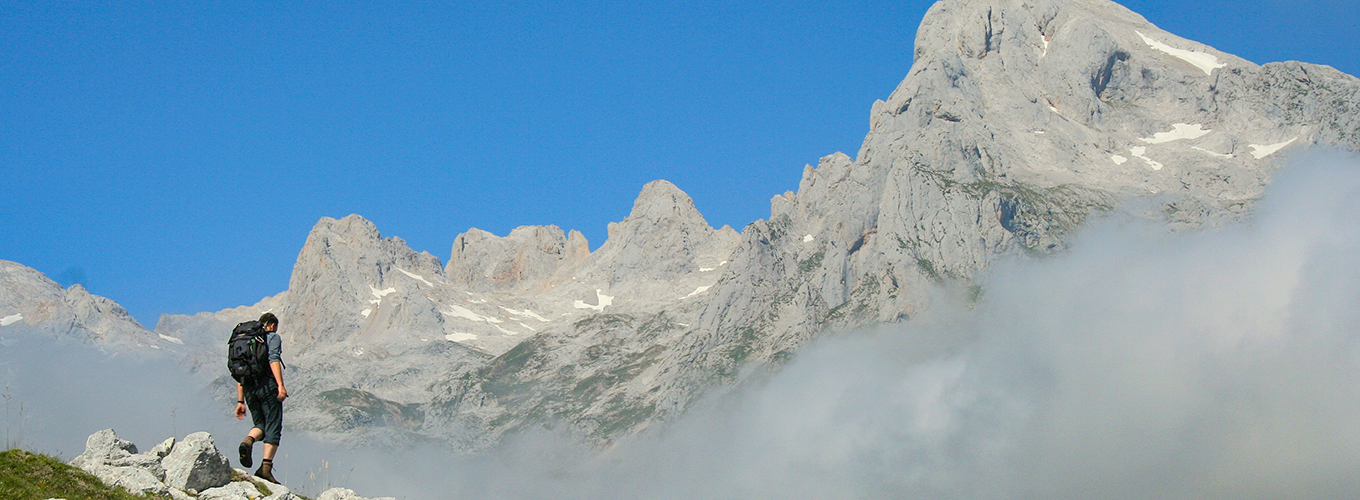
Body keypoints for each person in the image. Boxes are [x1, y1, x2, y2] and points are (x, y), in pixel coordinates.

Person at [234, 312, 287, 483]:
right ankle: (265, 468)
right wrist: (280, 385)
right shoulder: (271, 337)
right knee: (273, 426)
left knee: (260, 425)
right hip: (267, 387)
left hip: (249, 388)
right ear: (272, 325)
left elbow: (240, 373)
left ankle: (248, 441)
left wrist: (240, 401)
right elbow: (273, 359)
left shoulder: (246, 341)